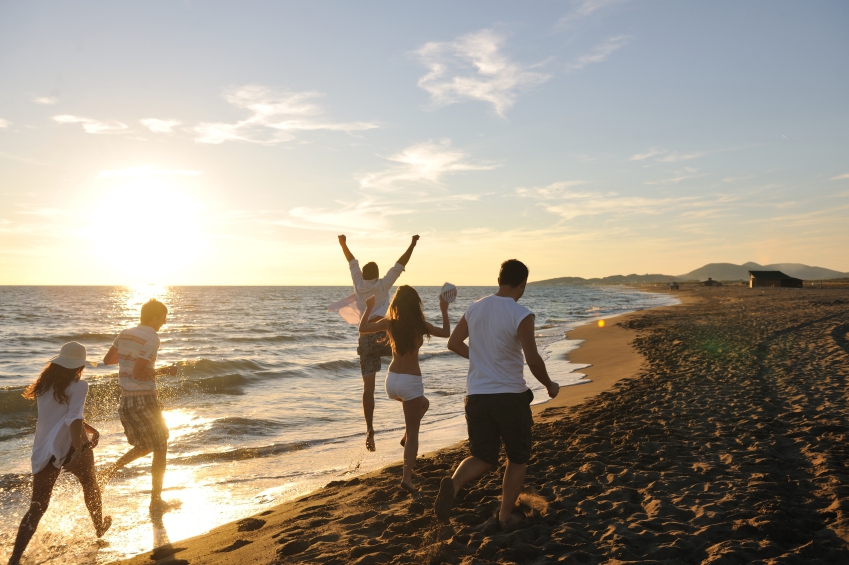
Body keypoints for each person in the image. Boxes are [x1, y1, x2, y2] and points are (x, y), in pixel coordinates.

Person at [434, 259, 560, 528]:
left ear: (499, 278)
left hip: (476, 396)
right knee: (517, 457)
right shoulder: (521, 313)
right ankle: (504, 516)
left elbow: (453, 343)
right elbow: (533, 360)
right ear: (522, 283)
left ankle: (453, 485)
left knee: (483, 456)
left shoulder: (475, 307)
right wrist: (549, 384)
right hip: (509, 397)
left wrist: (481, 359)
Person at [8, 342, 111, 565]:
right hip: (70, 446)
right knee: (90, 484)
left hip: (45, 448)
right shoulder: (80, 385)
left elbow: (61, 417)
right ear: (79, 366)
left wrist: (88, 427)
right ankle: (99, 527)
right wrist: (80, 451)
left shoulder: (44, 386)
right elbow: (73, 418)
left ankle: (14, 558)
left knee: (37, 507)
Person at [358, 286, 450, 492]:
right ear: (416, 305)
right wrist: (444, 308)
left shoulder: (390, 323)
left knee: (423, 404)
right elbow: (446, 332)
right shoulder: (420, 325)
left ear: (396, 304)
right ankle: (407, 479)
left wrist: (369, 307)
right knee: (415, 433)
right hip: (410, 381)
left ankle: (405, 436)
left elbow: (362, 328)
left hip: (391, 383)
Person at [336, 234, 419, 452]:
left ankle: (370, 429)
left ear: (364, 274)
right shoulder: (383, 285)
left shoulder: (358, 281)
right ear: (378, 275)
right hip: (385, 334)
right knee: (405, 373)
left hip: (366, 337)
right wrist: (412, 243)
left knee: (368, 389)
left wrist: (343, 243)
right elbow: (400, 264)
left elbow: (350, 260)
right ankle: (409, 428)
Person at [99, 298, 172, 515]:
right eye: (164, 317)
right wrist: (165, 371)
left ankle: (108, 472)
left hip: (126, 400)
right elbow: (140, 373)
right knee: (161, 447)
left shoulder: (125, 333)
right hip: (144, 398)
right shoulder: (152, 338)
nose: (165, 322)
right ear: (155, 317)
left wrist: (129, 358)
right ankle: (156, 501)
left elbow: (108, 360)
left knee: (145, 445)